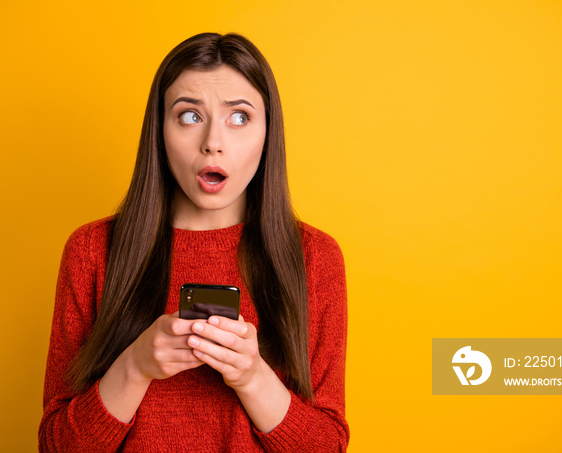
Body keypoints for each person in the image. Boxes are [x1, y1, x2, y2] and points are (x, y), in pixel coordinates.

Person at [39, 32, 349, 452]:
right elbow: (57, 446)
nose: (213, 143)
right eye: (189, 116)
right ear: (159, 130)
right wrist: (135, 365)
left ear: (268, 133)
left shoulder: (314, 258)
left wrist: (252, 376)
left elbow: (327, 446)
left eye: (239, 117)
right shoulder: (92, 251)